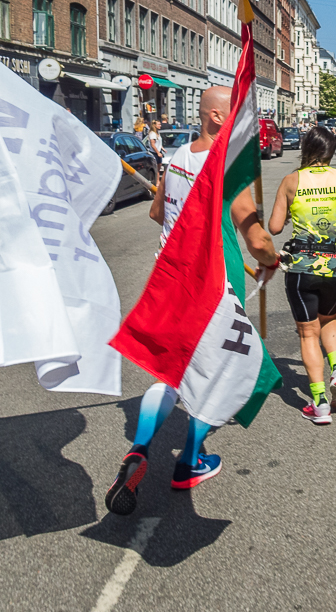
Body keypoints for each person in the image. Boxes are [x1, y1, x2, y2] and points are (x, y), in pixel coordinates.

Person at [105, 87, 279, 516]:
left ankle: (139, 450)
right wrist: (271, 259)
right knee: (217, 376)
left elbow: (157, 214)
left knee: (172, 373)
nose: (245, 122)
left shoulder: (179, 157)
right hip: (213, 290)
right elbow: (256, 237)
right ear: (218, 118)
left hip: (172, 282)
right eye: (237, 114)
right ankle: (189, 461)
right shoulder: (226, 169)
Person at [269, 127, 336, 424]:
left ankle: (319, 403)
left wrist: (293, 209)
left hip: (303, 267)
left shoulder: (291, 181)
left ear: (306, 148)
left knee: (308, 333)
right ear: (331, 151)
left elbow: (275, 227)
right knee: (330, 320)